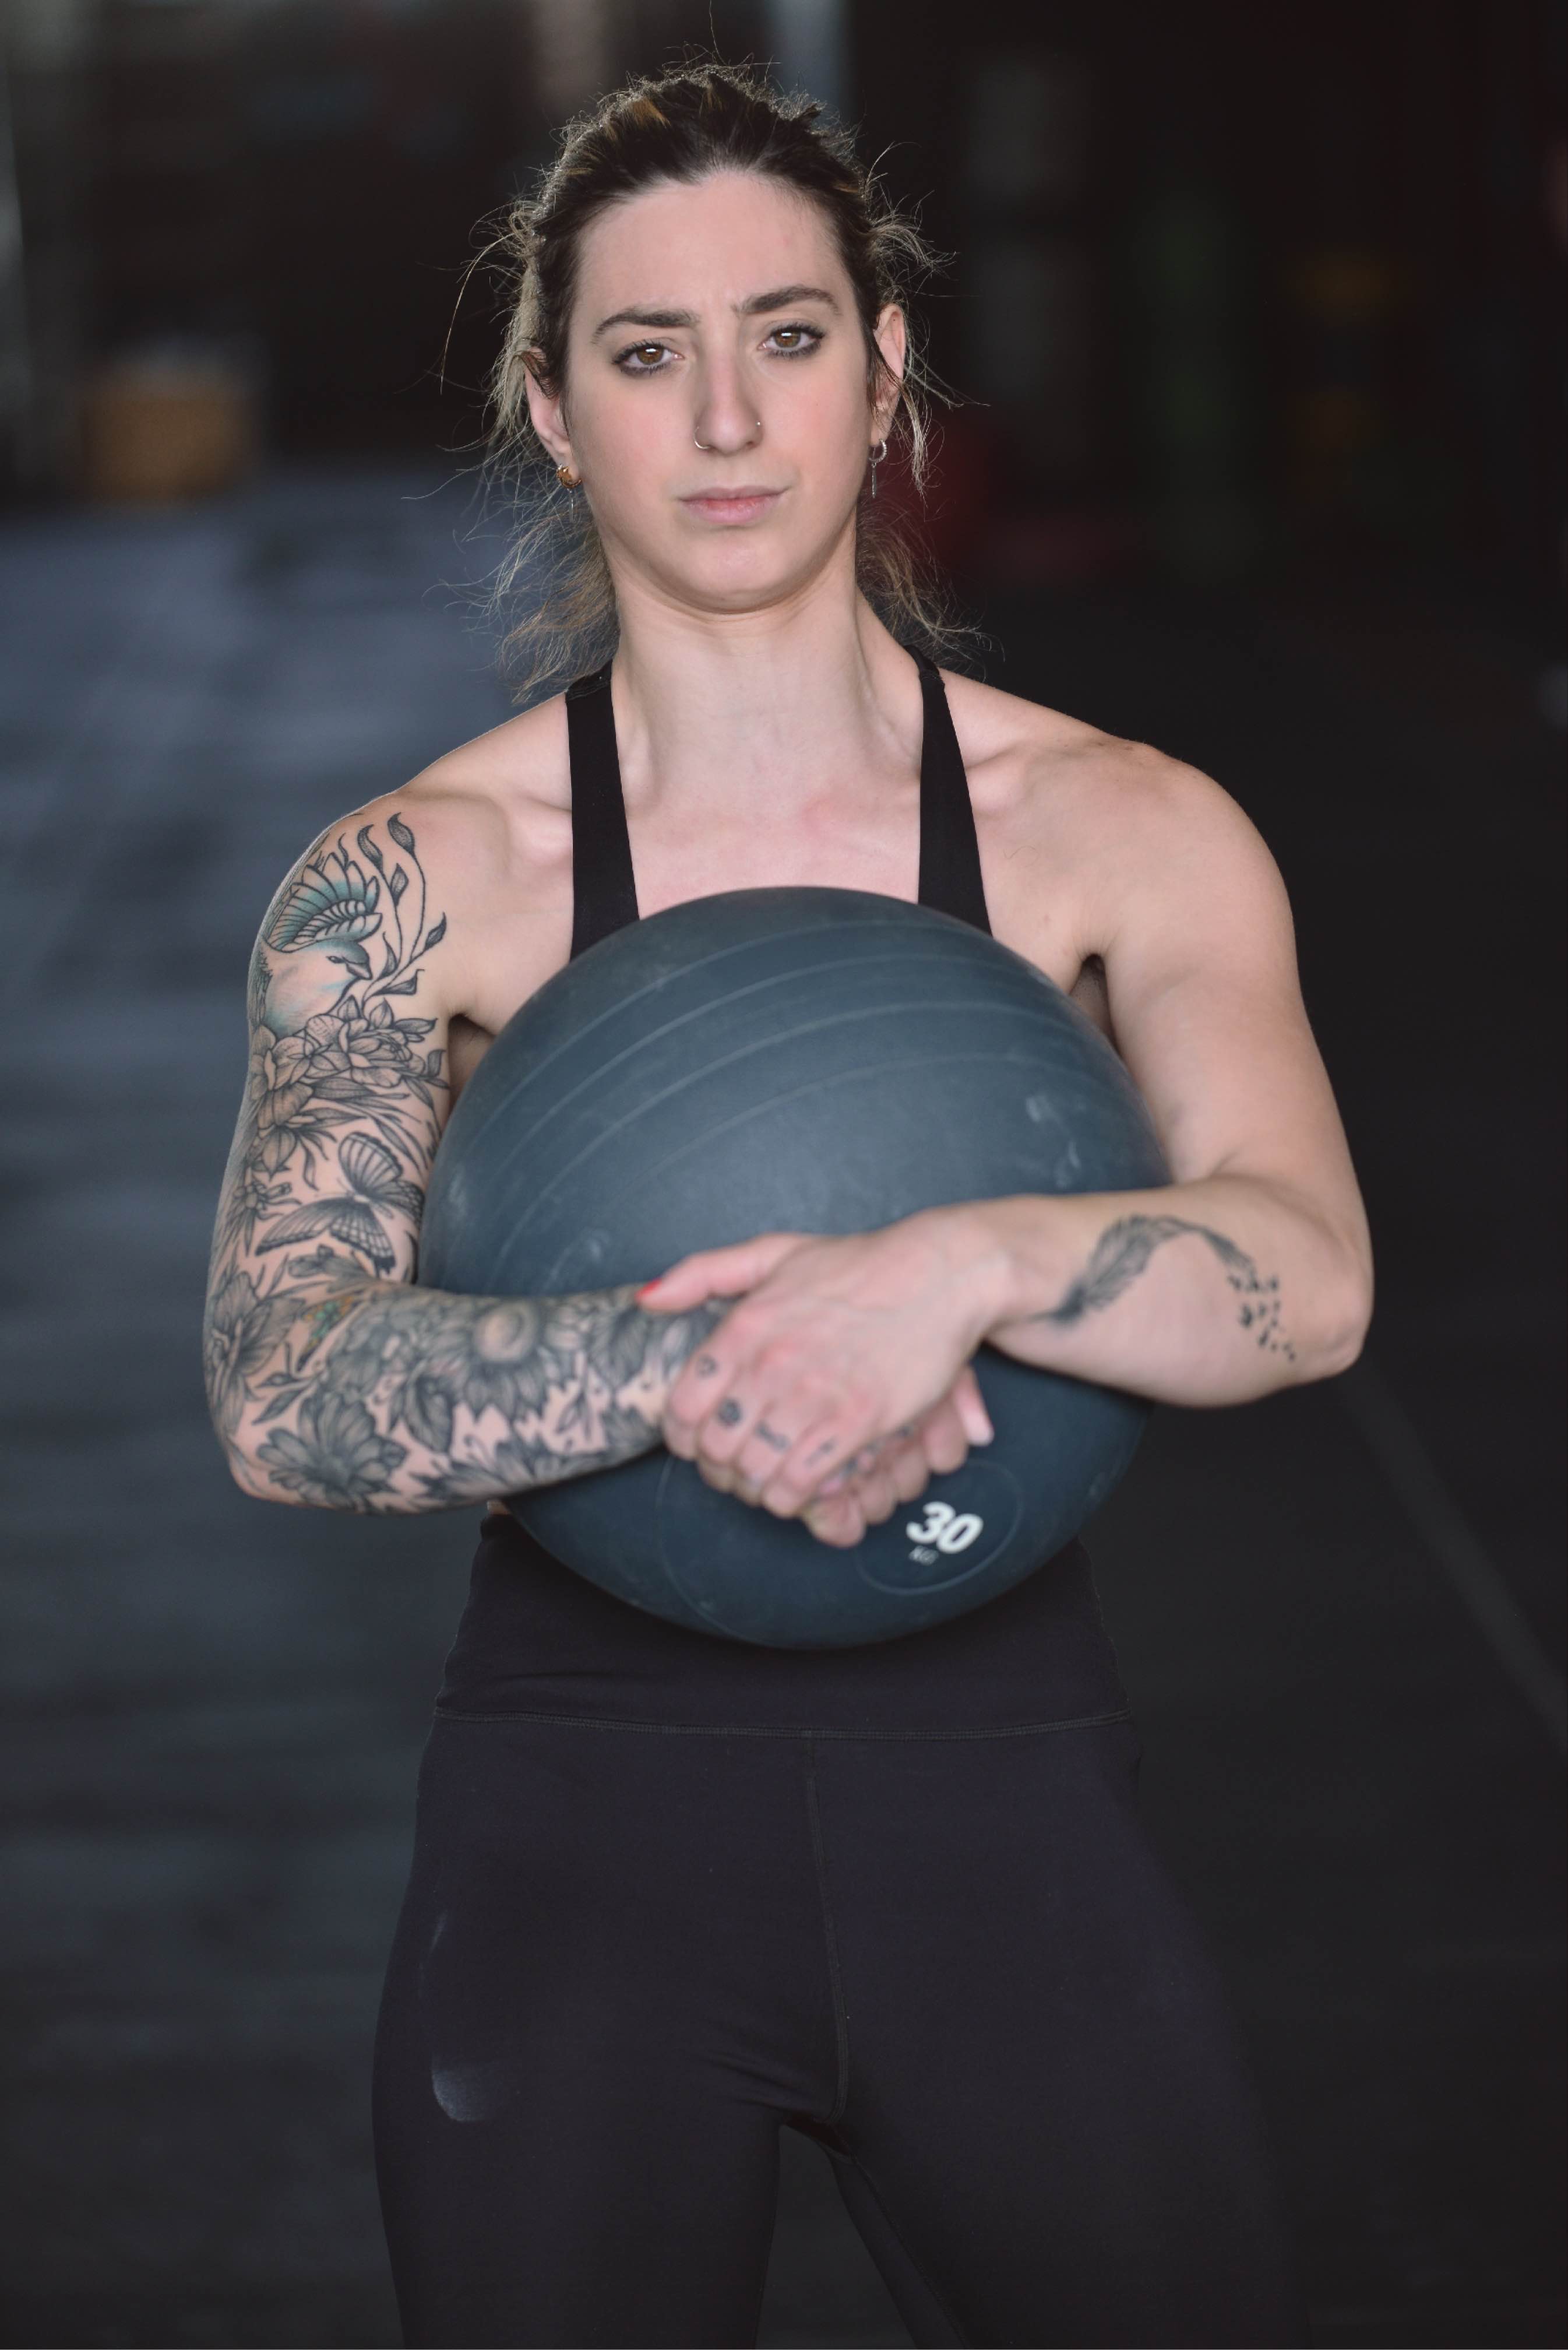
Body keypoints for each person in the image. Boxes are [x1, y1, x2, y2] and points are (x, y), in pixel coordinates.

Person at [202, 61, 1371, 2350]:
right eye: (647, 353)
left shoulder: (1115, 833)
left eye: (789, 333)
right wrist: (719, 1362)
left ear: (888, 367)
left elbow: (1305, 1278)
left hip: (1001, 1796)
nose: (726, 416)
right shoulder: (408, 888)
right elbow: (284, 1386)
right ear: (555, 407)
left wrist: (957, 1268)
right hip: (580, 1829)